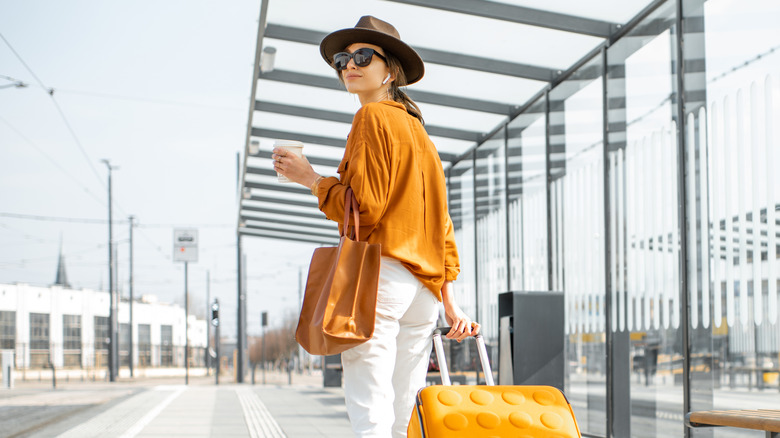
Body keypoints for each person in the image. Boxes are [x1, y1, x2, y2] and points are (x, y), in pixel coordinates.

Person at [272, 15, 479, 438]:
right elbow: (441, 224)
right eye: (342, 59)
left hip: (381, 277)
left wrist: (310, 178)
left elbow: (363, 210)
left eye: (363, 56)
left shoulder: (371, 119)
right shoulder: (420, 133)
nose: (350, 64)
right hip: (423, 293)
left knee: (371, 408)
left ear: (390, 69)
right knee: (404, 412)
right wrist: (449, 301)